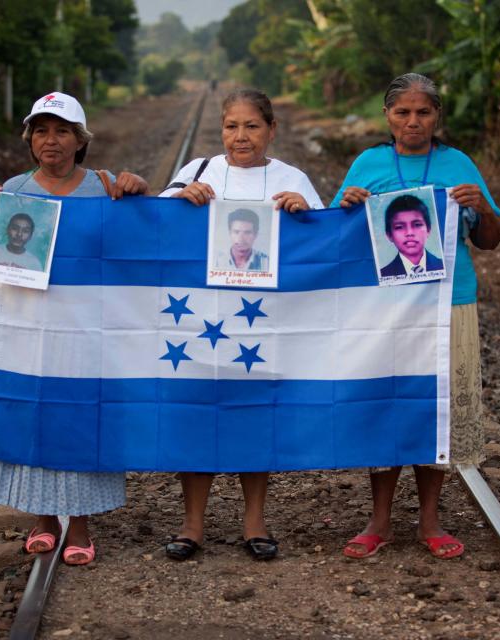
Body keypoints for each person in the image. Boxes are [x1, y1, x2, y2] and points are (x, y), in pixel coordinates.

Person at [0, 92, 148, 566]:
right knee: (37, 416)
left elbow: (142, 241)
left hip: (90, 332)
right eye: (42, 131)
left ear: (80, 140)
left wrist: (139, 189)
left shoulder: (104, 187)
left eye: (62, 130)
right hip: (31, 333)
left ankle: (82, 525)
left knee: (84, 417)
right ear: (30, 140)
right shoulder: (15, 191)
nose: (52, 140)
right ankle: (44, 520)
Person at [331, 73, 500, 560]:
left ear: (437, 117)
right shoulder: (368, 163)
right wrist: (346, 207)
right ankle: (379, 520)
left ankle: (430, 520)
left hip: (450, 302)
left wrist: (481, 211)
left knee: (439, 408)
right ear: (387, 116)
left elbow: (490, 238)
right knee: (387, 402)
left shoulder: (458, 164)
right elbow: (335, 242)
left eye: (423, 112)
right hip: (383, 308)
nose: (413, 121)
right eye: (402, 112)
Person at [160, 88, 324, 561]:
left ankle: (255, 519)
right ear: (221, 130)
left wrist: (305, 215)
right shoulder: (197, 172)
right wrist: (179, 200)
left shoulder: (292, 178)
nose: (241, 136)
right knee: (198, 414)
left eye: (252, 126)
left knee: (255, 415)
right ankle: (192, 523)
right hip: (200, 322)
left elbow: (321, 245)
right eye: (232, 126)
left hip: (262, 325)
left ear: (272, 130)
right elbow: (156, 233)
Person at [378, 195, 444, 278]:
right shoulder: (383, 275)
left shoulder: (443, 266)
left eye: (417, 225)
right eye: (399, 227)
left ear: (428, 230)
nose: (409, 233)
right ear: (389, 235)